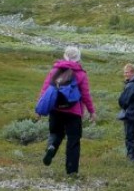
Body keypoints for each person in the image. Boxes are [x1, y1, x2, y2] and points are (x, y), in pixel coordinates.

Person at [37, 45, 96, 175]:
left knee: (56, 133)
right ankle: (72, 171)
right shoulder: (81, 74)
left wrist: (40, 107)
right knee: (73, 140)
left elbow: (45, 89)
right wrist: (92, 111)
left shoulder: (55, 70)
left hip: (55, 109)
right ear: (78, 58)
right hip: (73, 112)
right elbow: (86, 94)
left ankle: (51, 147)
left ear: (65, 55)